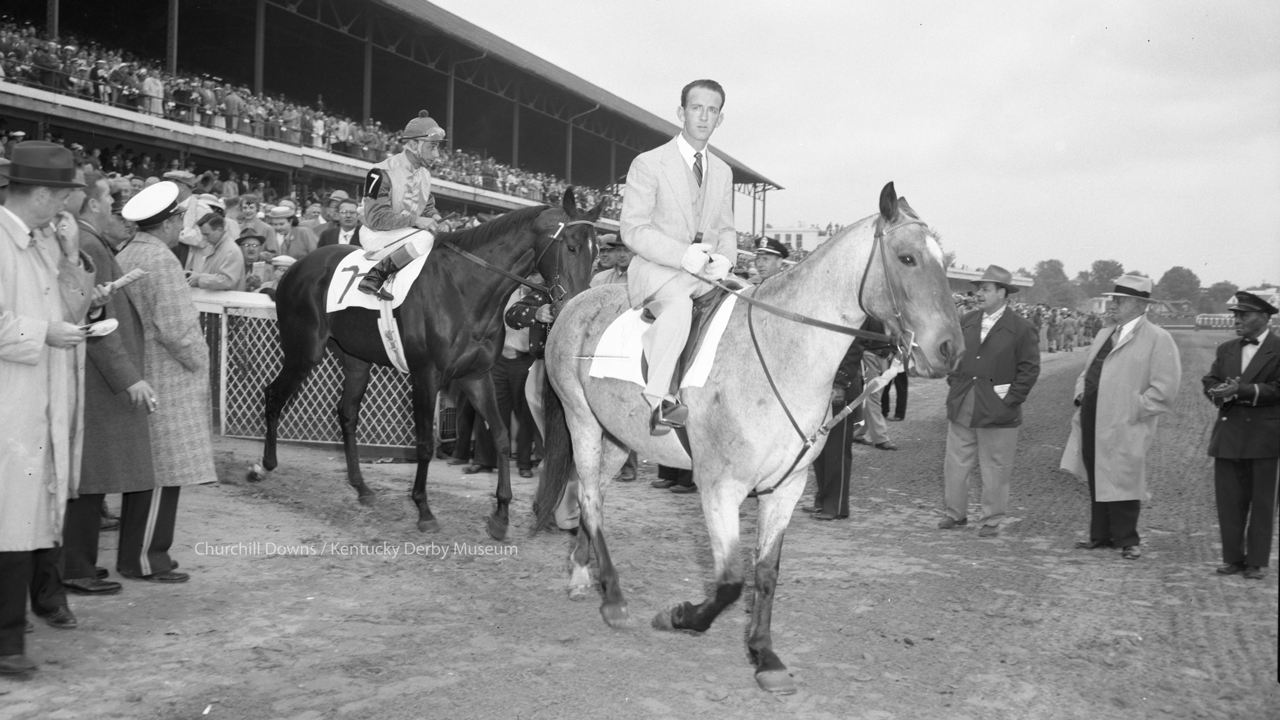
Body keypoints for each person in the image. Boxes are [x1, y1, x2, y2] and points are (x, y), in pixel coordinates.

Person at [0, 142, 95, 675]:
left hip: (37, 401)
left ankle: (13, 635)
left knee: (26, 519)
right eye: (60, 197)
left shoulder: (39, 242)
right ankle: (6, 642)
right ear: (39, 194)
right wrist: (45, 333)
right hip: (9, 401)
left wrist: (68, 259)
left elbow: (70, 303)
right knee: (10, 520)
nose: (64, 207)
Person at [620, 79, 736, 434]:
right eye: (697, 108)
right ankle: (659, 401)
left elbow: (727, 229)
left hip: (704, 275)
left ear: (720, 119)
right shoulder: (649, 163)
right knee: (679, 308)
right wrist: (681, 255)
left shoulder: (723, 171)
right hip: (657, 272)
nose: (704, 117)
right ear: (681, 112)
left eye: (712, 110)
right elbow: (633, 229)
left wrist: (727, 260)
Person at [116, 181, 219, 582]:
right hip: (167, 376)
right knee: (164, 474)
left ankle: (140, 554)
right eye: (179, 218)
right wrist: (200, 360)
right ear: (168, 221)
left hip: (141, 371)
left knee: (147, 472)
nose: (181, 224)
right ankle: (146, 558)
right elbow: (177, 329)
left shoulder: (128, 252)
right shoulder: (163, 260)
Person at [63, 170, 157, 597]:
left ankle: (79, 563)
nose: (114, 204)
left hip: (95, 375)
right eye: (107, 197)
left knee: (92, 476)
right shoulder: (87, 243)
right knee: (89, 477)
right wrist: (129, 378)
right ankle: (75, 567)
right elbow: (98, 322)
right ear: (95, 203)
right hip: (100, 378)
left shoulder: (90, 241)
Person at [1060, 275, 1181, 560]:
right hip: (1092, 416)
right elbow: (1086, 371)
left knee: (1125, 476)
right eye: (1113, 299)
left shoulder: (1158, 338)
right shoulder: (1105, 333)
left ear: (1140, 304)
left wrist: (1134, 408)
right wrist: (1081, 394)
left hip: (1126, 420)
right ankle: (1100, 535)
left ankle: (1128, 539)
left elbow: (1166, 389)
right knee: (1096, 472)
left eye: (1120, 300)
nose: (1113, 304)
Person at [939, 265, 1040, 539]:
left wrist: (1009, 400)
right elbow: (955, 357)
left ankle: (991, 520)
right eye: (978, 288)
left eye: (985, 289)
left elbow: (1029, 370)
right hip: (963, 404)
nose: (978, 293)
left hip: (997, 410)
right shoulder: (967, 320)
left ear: (1002, 293)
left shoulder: (1022, 328)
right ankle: (954, 514)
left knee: (995, 466)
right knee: (955, 462)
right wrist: (956, 383)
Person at [1202, 291, 1279, 579]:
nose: (1237, 320)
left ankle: (1256, 562)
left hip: (1266, 439)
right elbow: (1210, 379)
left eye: (1243, 315)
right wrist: (1217, 392)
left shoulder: (1278, 348)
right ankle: (1232, 559)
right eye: (1235, 315)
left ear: (1263, 317)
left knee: (1263, 503)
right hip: (1230, 436)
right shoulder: (1226, 349)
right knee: (1229, 502)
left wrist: (1241, 390)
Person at [357, 110, 446, 300]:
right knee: (424, 239)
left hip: (404, 233)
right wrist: (417, 221)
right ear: (414, 144)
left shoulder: (424, 174)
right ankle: (375, 276)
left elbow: (427, 207)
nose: (437, 154)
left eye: (438, 147)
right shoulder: (379, 172)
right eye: (432, 147)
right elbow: (376, 219)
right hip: (376, 233)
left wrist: (436, 217)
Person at [852, 317, 898, 452]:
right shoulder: (871, 316)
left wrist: (892, 351)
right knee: (873, 397)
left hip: (883, 358)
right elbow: (860, 338)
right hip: (871, 357)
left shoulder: (889, 316)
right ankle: (881, 438)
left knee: (873, 397)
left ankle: (858, 433)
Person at [185, 211, 246, 291]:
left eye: (207, 234)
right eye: (203, 234)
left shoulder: (232, 250)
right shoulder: (215, 246)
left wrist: (199, 278)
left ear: (219, 230)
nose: (204, 238)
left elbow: (228, 280)